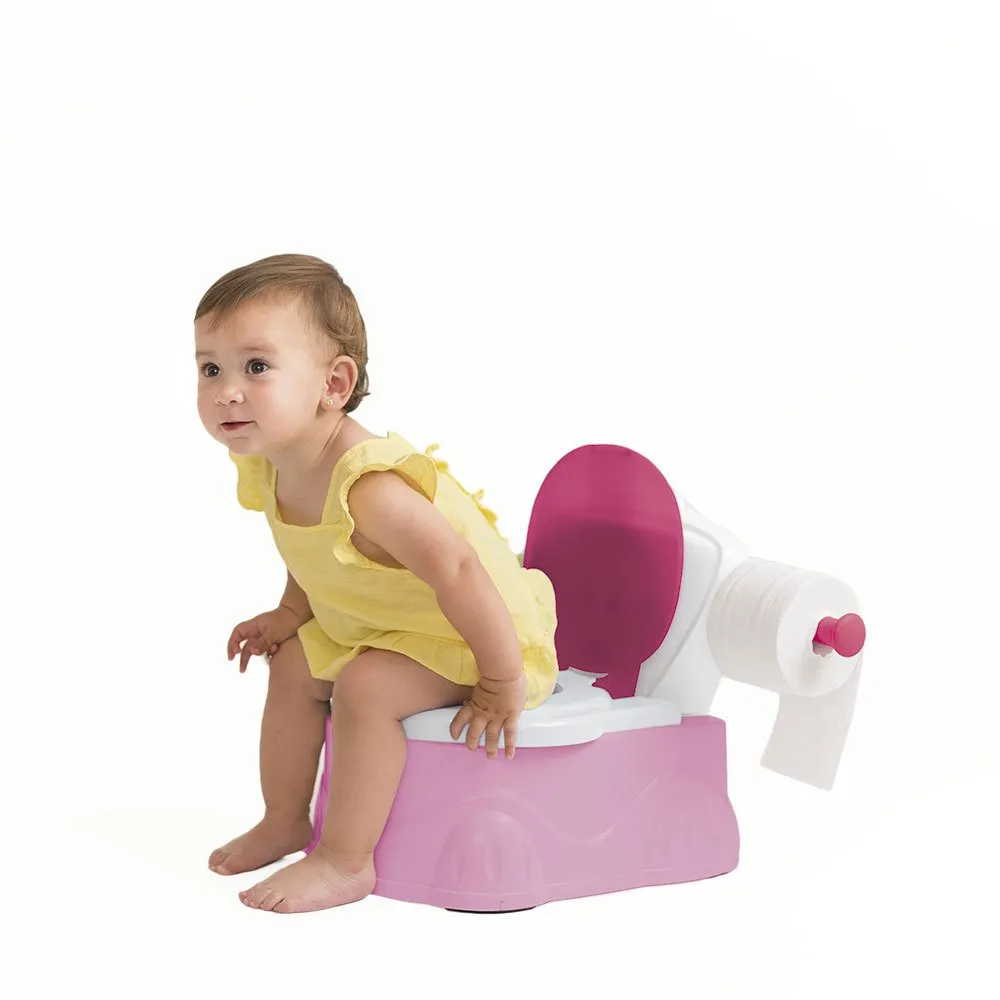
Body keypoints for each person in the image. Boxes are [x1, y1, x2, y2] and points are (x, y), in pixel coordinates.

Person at [195, 253, 559, 913]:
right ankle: (284, 819)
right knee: (294, 662)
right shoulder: (273, 459)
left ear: (333, 384)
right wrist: (289, 613)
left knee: (365, 688)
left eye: (256, 367)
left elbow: (459, 569)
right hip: (383, 625)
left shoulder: (370, 486)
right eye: (210, 368)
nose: (226, 391)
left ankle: (344, 861)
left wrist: (501, 679)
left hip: (471, 632)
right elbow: (315, 550)